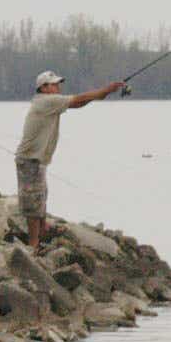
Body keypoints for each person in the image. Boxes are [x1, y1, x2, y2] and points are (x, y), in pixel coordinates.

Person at [14, 70, 124, 251]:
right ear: (43, 87)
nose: (58, 87)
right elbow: (78, 99)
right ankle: (33, 245)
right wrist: (105, 91)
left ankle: (43, 230)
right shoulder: (46, 101)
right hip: (30, 160)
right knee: (33, 204)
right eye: (54, 84)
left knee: (41, 196)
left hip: (37, 160)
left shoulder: (52, 102)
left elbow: (78, 103)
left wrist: (102, 94)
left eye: (58, 84)